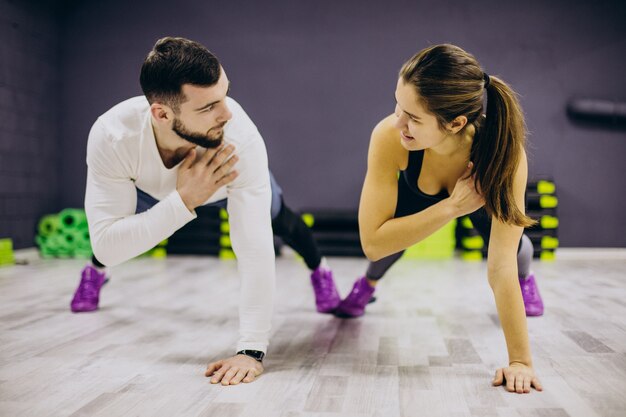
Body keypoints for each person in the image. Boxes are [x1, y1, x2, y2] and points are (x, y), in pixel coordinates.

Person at [69, 37, 341, 386]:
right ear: (162, 114)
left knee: (281, 218)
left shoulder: (239, 137)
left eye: (225, 94)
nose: (227, 113)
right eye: (208, 106)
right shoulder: (113, 136)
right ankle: (95, 273)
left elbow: (254, 250)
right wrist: (184, 201)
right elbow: (108, 242)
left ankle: (321, 271)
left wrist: (251, 350)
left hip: (225, 186)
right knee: (120, 229)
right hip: (153, 191)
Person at [335, 44, 544, 393]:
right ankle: (368, 287)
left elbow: (499, 267)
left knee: (517, 251)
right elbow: (373, 243)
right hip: (432, 200)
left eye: (413, 118)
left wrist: (520, 361)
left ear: (456, 122)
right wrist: (451, 207)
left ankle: (528, 282)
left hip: (480, 201)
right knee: (388, 249)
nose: (397, 122)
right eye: (398, 105)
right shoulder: (390, 136)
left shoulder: (505, 155)